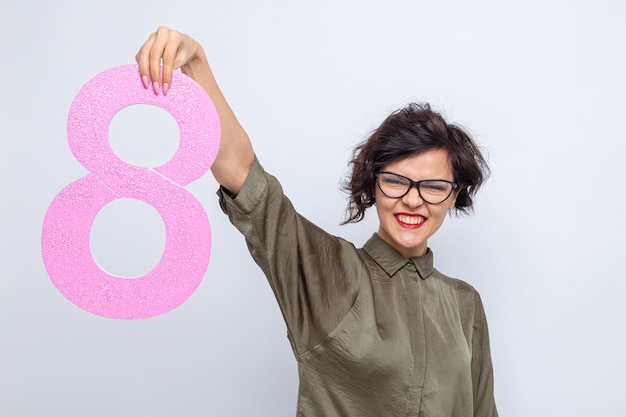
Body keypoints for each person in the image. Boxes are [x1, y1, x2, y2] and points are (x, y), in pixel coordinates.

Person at [136, 27, 498, 417]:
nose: (412, 199)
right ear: (372, 186)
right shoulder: (328, 272)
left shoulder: (465, 304)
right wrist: (196, 63)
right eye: (395, 181)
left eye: (432, 186)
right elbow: (244, 175)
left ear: (454, 194)